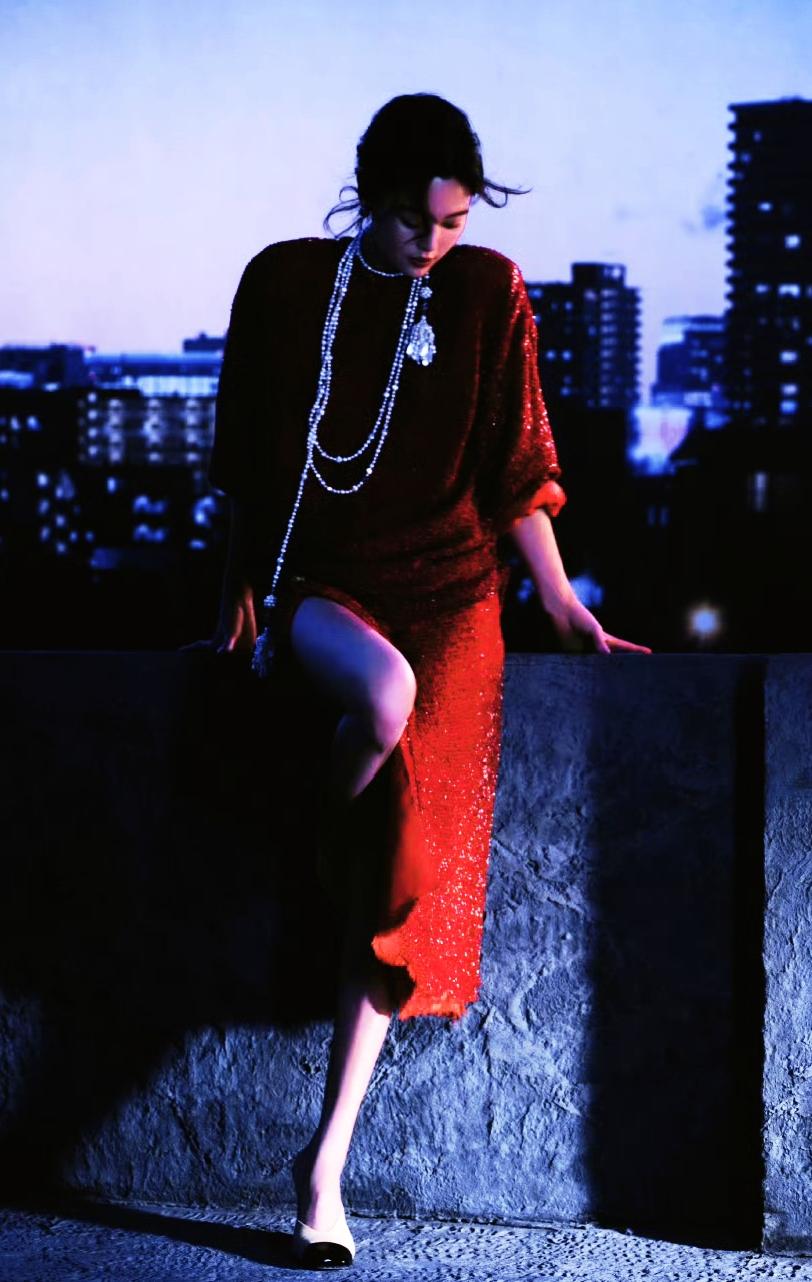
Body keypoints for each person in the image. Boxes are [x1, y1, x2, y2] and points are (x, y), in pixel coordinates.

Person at [188, 93, 651, 1268]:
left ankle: (323, 1167)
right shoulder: (287, 283)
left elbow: (516, 467)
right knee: (378, 700)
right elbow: (248, 459)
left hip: (454, 605)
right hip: (323, 583)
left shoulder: (488, 292)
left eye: (451, 221)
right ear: (368, 194)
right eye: (411, 220)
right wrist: (234, 590)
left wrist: (559, 602)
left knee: (395, 889)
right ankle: (316, 830)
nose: (432, 242)